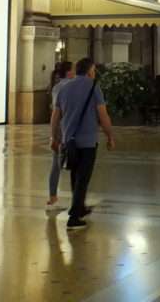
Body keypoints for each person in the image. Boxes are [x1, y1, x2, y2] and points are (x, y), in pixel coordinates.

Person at [50, 57, 115, 231]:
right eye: (93, 71)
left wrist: (53, 138)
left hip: (68, 141)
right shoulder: (94, 88)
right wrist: (110, 136)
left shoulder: (64, 88)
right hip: (87, 142)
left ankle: (78, 207)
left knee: (75, 175)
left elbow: (55, 116)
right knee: (83, 178)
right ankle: (74, 217)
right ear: (89, 71)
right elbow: (103, 115)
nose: (94, 74)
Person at [46, 62, 74, 211]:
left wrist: (52, 135)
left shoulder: (56, 87)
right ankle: (77, 200)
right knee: (76, 165)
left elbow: (55, 113)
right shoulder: (72, 86)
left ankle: (52, 195)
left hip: (58, 129)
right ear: (69, 72)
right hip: (68, 129)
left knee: (55, 165)